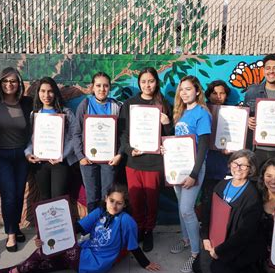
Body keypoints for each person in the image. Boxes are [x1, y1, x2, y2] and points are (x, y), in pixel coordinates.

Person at [0, 184, 161, 273]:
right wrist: (46, 239)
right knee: (45, 261)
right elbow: (76, 228)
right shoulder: (100, 212)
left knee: (56, 249)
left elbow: (133, 246)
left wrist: (145, 263)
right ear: (106, 199)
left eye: (119, 203)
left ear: (125, 205)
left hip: (95, 263)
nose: (114, 205)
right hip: (82, 252)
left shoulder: (126, 221)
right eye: (112, 200)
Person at [118, 67, 173, 252]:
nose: (147, 85)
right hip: (134, 161)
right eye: (143, 81)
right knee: (135, 200)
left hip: (154, 162)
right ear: (139, 83)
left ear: (156, 82)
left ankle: (149, 231)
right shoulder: (129, 104)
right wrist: (128, 149)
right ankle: (139, 228)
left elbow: (169, 136)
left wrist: (167, 124)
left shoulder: (163, 104)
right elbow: (123, 133)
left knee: (152, 200)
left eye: (151, 81)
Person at [193, 149, 263, 273]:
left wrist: (220, 250)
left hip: (236, 247)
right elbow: (207, 213)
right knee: (198, 268)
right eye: (235, 163)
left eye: (243, 165)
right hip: (217, 240)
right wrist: (206, 237)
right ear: (230, 164)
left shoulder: (252, 196)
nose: (238, 168)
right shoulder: (221, 185)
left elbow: (245, 233)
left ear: (250, 169)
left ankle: (245, 265)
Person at [0, 67, 33, 252]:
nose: (9, 84)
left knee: (18, 194)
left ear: (19, 84)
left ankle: (16, 226)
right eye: (5, 81)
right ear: (0, 83)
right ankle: (11, 234)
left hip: (22, 155)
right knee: (9, 194)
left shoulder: (27, 103)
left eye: (13, 81)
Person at [167, 75, 211, 273]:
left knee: (187, 209)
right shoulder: (181, 112)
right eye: (181, 90)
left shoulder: (202, 113)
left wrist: (194, 174)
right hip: (178, 166)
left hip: (193, 168)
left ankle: (195, 253)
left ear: (198, 91)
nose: (184, 93)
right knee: (180, 207)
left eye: (188, 89)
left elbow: (203, 146)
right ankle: (185, 239)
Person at [73, 72, 123, 212]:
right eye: (98, 85)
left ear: (110, 88)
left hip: (109, 160)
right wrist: (80, 156)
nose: (102, 89)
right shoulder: (85, 104)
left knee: (107, 196)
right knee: (92, 196)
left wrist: (119, 154)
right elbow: (76, 132)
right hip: (88, 160)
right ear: (92, 88)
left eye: (105, 86)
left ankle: (105, 228)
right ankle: (92, 229)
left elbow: (123, 134)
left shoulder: (116, 106)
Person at [24, 77, 77, 201]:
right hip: (40, 163)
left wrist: (62, 155)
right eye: (43, 91)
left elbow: (75, 137)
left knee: (59, 198)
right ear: (38, 93)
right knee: (44, 198)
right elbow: (31, 139)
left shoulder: (66, 113)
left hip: (60, 163)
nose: (46, 95)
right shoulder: (34, 114)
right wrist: (28, 153)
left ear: (55, 93)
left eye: (50, 91)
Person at [201, 80, 231, 211]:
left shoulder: (233, 112)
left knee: (221, 199)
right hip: (205, 159)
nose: (218, 96)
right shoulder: (202, 110)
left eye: (222, 93)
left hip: (223, 161)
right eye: (214, 93)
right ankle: (205, 226)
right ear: (208, 95)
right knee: (205, 198)